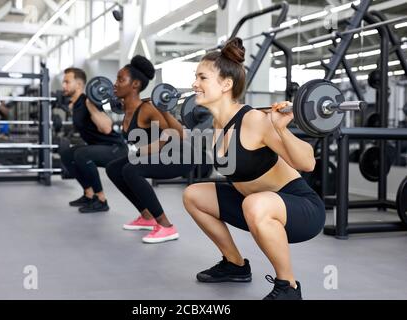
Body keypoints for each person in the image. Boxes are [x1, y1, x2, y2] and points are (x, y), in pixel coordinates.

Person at [182, 38, 326, 300]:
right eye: (196, 77)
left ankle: (288, 287)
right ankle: (235, 264)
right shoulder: (214, 126)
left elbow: (308, 163)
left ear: (226, 84)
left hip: (300, 209)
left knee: (255, 204)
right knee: (193, 194)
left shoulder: (255, 120)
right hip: (253, 203)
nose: (195, 84)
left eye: (202, 78)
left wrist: (280, 129)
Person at [106, 55, 195, 244]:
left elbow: (176, 135)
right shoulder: (128, 111)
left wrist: (163, 108)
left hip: (180, 155)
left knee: (131, 169)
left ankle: (166, 226)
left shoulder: (147, 108)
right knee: (113, 168)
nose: (115, 84)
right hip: (157, 154)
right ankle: (147, 217)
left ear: (135, 84)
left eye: (120, 80)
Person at [60, 67, 128, 213]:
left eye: (67, 82)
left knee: (82, 154)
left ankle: (101, 199)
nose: (63, 85)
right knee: (67, 154)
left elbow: (107, 128)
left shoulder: (89, 101)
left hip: (116, 149)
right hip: (101, 147)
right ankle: (89, 194)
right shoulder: (77, 104)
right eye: (63, 82)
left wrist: (91, 106)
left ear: (79, 84)